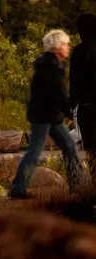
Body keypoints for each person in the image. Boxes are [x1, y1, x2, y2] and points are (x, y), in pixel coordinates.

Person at [10, 30, 84, 198]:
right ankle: (18, 188)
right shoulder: (50, 67)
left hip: (51, 116)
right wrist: (71, 113)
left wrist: (65, 112)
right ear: (57, 47)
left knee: (69, 147)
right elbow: (59, 94)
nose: (68, 47)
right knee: (35, 152)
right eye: (65, 44)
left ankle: (77, 185)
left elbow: (57, 95)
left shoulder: (52, 64)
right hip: (44, 117)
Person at [71, 13, 96, 184]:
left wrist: (70, 107)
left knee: (92, 151)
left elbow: (74, 82)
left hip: (88, 109)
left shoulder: (79, 52)